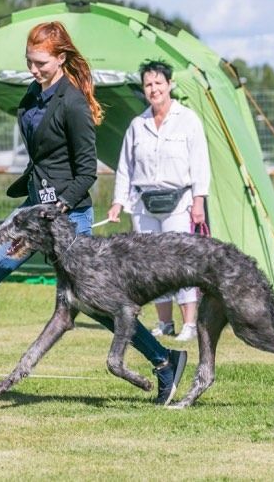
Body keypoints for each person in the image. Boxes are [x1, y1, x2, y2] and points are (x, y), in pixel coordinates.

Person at [0, 22, 187, 405]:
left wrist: (59, 206)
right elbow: (40, 154)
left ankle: (164, 360)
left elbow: (87, 173)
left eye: (41, 62)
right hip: (33, 214)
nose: (33, 69)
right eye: (29, 61)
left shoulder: (74, 103)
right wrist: (34, 197)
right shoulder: (32, 94)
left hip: (67, 218)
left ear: (61, 58)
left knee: (96, 306)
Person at [107, 60, 210, 342]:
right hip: (144, 205)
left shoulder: (188, 120)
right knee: (152, 267)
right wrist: (118, 202)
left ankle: (189, 323)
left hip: (179, 202)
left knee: (180, 263)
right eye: (148, 85)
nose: (154, 89)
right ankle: (164, 322)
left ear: (169, 85)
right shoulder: (137, 125)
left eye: (158, 83)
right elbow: (125, 168)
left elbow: (200, 164)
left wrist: (199, 201)